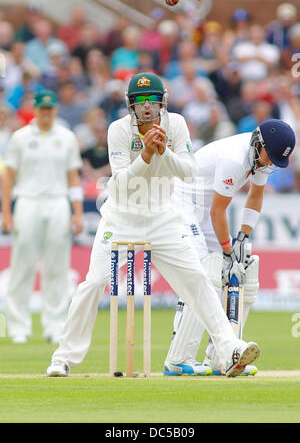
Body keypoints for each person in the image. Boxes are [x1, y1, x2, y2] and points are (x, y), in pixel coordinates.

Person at [46, 72, 260, 378]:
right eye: (140, 101)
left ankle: (229, 350)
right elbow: (118, 184)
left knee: (197, 279)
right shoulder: (118, 130)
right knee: (93, 283)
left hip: (163, 216)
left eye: (152, 100)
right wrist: (145, 154)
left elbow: (189, 171)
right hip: (121, 216)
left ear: (163, 102)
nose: (147, 106)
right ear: (131, 105)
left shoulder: (177, 124)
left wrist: (164, 151)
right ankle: (63, 359)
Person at [163, 119, 296, 376]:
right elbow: (218, 211)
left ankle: (222, 358)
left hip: (205, 209)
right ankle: (179, 358)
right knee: (204, 273)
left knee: (237, 269)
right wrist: (227, 249)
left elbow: (255, 196)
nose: (270, 163)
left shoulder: (261, 156)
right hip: (183, 202)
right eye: (270, 157)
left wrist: (243, 238)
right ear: (260, 143)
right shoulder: (235, 159)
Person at [2, 89, 83, 344]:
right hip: (27, 200)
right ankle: (18, 326)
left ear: (55, 110)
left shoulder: (67, 137)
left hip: (58, 202)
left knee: (57, 267)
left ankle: (55, 324)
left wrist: (77, 212)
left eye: (50, 109)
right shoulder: (21, 137)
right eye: (42, 109)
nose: (46, 114)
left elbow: (73, 177)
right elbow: (9, 177)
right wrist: (6, 210)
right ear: (35, 110)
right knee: (22, 265)